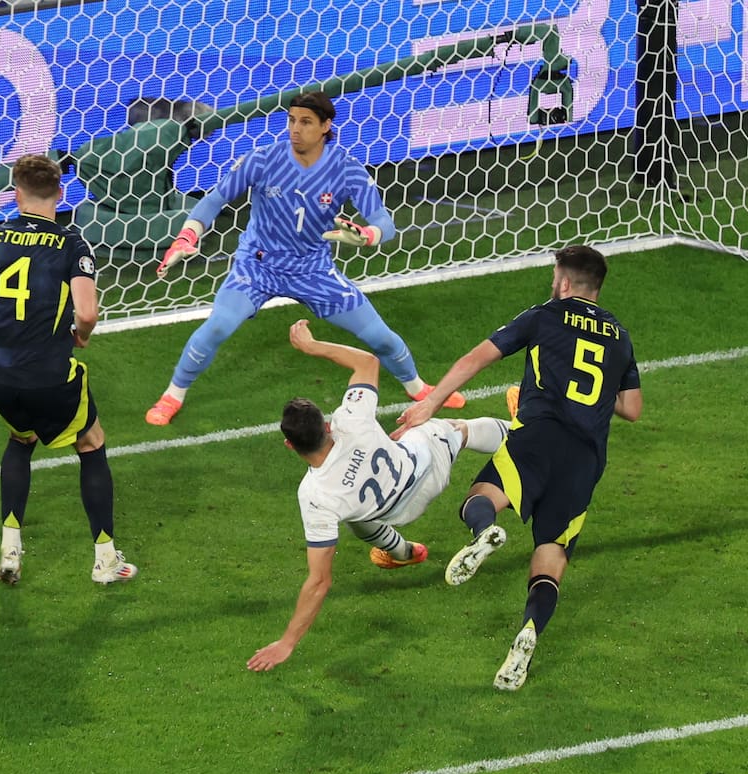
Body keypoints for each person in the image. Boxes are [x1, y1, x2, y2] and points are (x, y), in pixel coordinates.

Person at [394, 245, 642, 690]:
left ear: (564, 282)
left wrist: (429, 404)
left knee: (481, 497)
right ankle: (528, 632)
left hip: (538, 436)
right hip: (585, 460)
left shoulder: (544, 315)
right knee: (551, 553)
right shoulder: (620, 336)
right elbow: (633, 409)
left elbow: (476, 358)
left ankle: (484, 532)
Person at [145, 90, 465, 427]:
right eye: (292, 120)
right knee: (218, 326)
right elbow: (214, 200)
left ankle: (418, 388)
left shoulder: (346, 169)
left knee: (379, 336)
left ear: (326, 126)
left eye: (306, 122)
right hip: (258, 266)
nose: (295, 129)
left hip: (313, 270)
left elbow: (385, 223)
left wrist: (367, 235)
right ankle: (172, 395)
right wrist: (187, 236)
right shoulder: (262, 159)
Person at [247, 320, 509, 672]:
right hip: (429, 467)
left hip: (397, 512)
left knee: (356, 517)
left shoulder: (315, 497)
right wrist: (311, 345)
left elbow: (319, 581)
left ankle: (404, 552)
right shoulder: (350, 419)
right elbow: (368, 362)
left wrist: (287, 643)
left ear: (289, 446)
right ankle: (522, 430)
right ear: (327, 425)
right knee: (458, 429)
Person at [0, 153, 137, 586]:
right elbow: (87, 312)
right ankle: (105, 560)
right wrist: (81, 335)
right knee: (91, 442)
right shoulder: (72, 245)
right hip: (47, 375)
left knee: (21, 438)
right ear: (60, 193)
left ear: (16, 194)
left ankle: (10, 551)